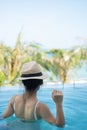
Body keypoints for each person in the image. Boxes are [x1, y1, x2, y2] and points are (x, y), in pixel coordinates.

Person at [0, 61, 65, 127]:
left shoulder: (14, 100)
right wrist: (58, 104)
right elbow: (59, 125)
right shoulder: (40, 107)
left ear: (23, 82)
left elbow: (2, 117)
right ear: (40, 83)